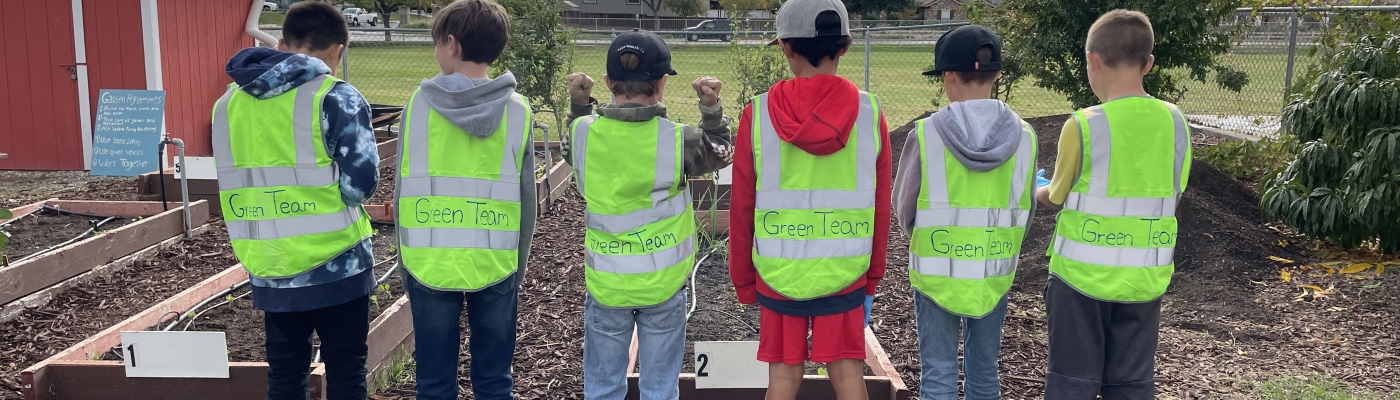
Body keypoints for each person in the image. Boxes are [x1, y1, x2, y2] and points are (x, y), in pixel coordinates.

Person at [212, 2, 378, 399]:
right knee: (346, 368)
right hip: (339, 265)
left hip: (270, 263)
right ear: (338, 49)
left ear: (282, 43)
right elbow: (361, 185)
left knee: (285, 373)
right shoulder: (336, 98)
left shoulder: (226, 106)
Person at [726, 0, 891, 398]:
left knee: (783, 377)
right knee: (849, 373)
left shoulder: (758, 113)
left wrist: (744, 280)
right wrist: (872, 275)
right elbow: (881, 203)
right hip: (845, 272)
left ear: (784, 46)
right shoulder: (870, 113)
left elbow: (741, 205)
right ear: (847, 46)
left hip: (779, 275)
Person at [562, 30, 734, 400]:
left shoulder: (584, 134)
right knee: (659, 389)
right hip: (663, 285)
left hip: (607, 286)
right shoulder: (680, 139)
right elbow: (721, 151)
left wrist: (579, 104)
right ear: (660, 84)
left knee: (604, 387)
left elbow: (570, 147)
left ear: (608, 83)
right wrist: (710, 107)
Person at [1034, 9, 1191, 400]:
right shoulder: (1176, 122)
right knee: (1132, 385)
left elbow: (1056, 196)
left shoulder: (1084, 124)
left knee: (1072, 382)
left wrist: (1035, 185)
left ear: (1092, 60)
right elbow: (1175, 187)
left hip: (1079, 282)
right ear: (1149, 64)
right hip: (1144, 281)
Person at [393, 1, 535, 399]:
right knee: (494, 381)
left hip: (429, 263)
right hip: (496, 263)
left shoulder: (417, 107)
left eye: (437, 43)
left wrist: (407, 265)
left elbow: (402, 191)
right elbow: (527, 200)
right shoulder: (518, 112)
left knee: (434, 382)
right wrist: (517, 267)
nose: (436, 52)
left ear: (452, 44)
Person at [893, 25, 1038, 400]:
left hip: (938, 273)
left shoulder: (926, 134)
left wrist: (925, 238)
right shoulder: (1025, 137)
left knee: (938, 373)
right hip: (993, 271)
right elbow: (1027, 209)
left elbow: (904, 207)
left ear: (950, 75)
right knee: (985, 370)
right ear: (997, 74)